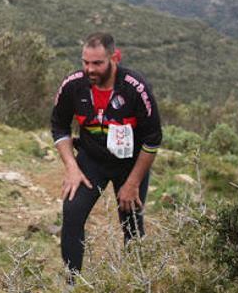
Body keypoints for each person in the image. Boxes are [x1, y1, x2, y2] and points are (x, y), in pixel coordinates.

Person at [50, 32, 162, 276]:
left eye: (97, 63)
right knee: (72, 213)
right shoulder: (73, 85)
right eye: (85, 62)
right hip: (91, 161)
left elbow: (153, 139)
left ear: (115, 58)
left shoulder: (136, 87)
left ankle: (137, 284)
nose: (90, 69)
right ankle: (72, 285)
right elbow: (59, 126)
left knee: (131, 222)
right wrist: (71, 167)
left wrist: (133, 183)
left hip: (129, 164)